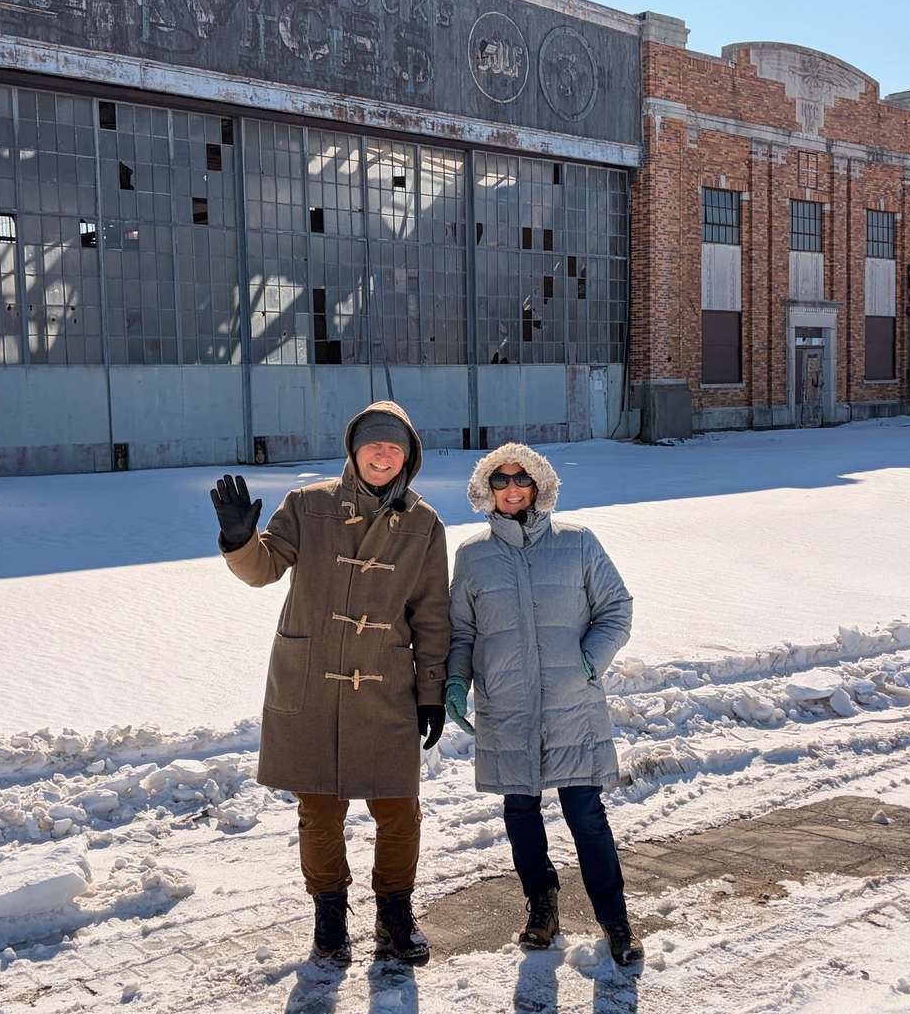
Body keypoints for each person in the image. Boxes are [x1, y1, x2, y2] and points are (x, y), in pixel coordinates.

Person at [210, 402, 450, 966]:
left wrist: (432, 691)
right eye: (374, 445)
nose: (383, 455)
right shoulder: (309, 506)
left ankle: (395, 916)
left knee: (398, 809)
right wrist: (239, 541)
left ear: (409, 457)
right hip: (310, 680)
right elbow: (263, 569)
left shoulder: (424, 524)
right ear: (354, 450)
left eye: (395, 447)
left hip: (386, 684)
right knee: (318, 810)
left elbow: (433, 616)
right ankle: (330, 920)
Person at [445, 443, 642, 965]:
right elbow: (461, 631)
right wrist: (454, 682)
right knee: (521, 811)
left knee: (586, 814)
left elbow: (616, 609)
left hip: (571, 704)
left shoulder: (577, 544)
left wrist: (589, 661)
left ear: (540, 485)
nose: (512, 489)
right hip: (506, 706)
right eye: (501, 481)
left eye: (522, 479)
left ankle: (615, 920)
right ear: (486, 490)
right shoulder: (472, 556)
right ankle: (542, 906)